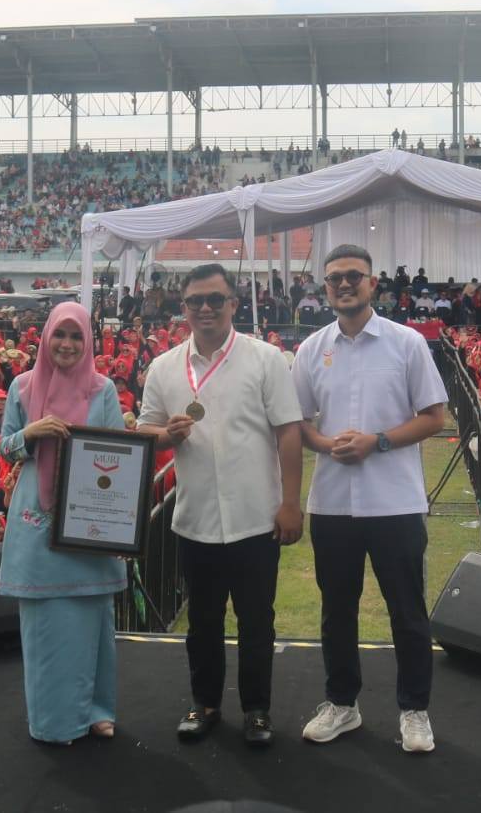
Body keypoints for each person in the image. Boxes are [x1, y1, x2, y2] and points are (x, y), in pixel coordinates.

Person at [137, 263, 304, 747]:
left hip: (257, 516)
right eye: (195, 301)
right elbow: (144, 430)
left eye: (215, 299)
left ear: (233, 302)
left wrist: (291, 502)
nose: (205, 308)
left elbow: (288, 431)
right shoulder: (166, 367)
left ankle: (257, 709)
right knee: (203, 623)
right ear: (183, 307)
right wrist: (165, 433)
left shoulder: (266, 358)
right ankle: (205, 702)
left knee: (257, 621)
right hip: (196, 518)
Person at [292, 245, 448, 754]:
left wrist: (375, 442)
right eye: (333, 278)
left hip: (395, 502)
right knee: (337, 609)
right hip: (333, 502)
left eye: (352, 276)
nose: (343, 285)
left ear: (372, 282)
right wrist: (325, 445)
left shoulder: (406, 343)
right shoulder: (312, 348)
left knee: (407, 610)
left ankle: (415, 710)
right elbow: (299, 423)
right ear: (324, 286)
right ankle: (342, 703)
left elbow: (433, 416)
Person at [0, 302, 128, 744]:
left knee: (93, 623)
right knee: (46, 627)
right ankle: (53, 721)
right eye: (60, 335)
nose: (68, 345)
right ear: (46, 338)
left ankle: (97, 711)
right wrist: (29, 435)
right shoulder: (21, 387)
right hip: (38, 522)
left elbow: (115, 450)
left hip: (89, 521)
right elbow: (5, 447)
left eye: (76, 337)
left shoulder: (102, 389)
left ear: (88, 340)